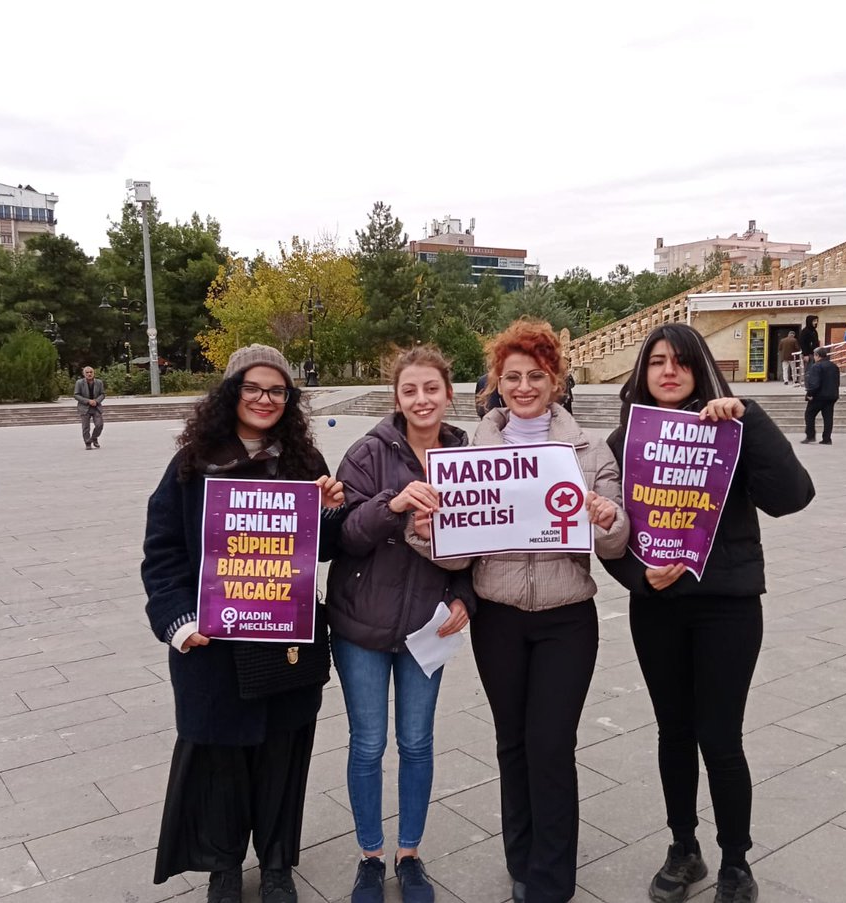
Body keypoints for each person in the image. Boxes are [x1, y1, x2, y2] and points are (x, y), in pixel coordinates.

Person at [409, 319, 629, 903]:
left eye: (536, 375)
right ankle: (522, 860)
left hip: (567, 616)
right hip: (500, 616)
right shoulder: (469, 451)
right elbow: (455, 550)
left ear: (555, 379)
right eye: (512, 376)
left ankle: (551, 881)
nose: (524, 386)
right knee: (512, 742)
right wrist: (424, 532)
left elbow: (616, 539)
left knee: (551, 744)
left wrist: (609, 520)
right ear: (496, 383)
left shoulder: (591, 448)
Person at [602, 322, 814, 903]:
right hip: (659, 608)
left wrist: (750, 417)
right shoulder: (625, 443)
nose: (668, 371)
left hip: (728, 607)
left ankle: (737, 861)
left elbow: (793, 496)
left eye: (681, 362)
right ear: (643, 374)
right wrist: (637, 578)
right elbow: (613, 536)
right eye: (656, 362)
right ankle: (683, 847)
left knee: (720, 736)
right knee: (674, 733)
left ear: (699, 370)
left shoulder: (730, 428)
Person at [142, 344, 346, 903]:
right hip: (214, 643)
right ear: (232, 392)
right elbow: (161, 552)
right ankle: (224, 865)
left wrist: (332, 508)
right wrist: (178, 621)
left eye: (277, 390)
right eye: (254, 387)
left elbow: (323, 549)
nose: (265, 399)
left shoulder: (305, 463)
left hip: (285, 641)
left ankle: (278, 864)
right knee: (220, 759)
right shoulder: (190, 466)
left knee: (284, 755)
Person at [327, 347, 476, 903]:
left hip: (426, 629)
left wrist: (465, 597)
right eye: (410, 390)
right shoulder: (367, 452)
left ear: (448, 393)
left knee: (416, 742)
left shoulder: (465, 451)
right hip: (360, 624)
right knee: (367, 744)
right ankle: (370, 854)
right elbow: (341, 536)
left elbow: (481, 540)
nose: (421, 400)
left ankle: (409, 853)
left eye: (431, 389)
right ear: (397, 397)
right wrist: (392, 504)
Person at [802, 347, 839, 445]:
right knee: (828, 417)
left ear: (817, 355)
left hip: (819, 396)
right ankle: (827, 439)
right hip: (831, 395)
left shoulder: (816, 366)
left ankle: (810, 436)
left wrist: (809, 394)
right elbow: (837, 382)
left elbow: (814, 383)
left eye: (814, 355)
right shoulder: (834, 366)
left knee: (809, 414)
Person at [74, 366, 106, 449]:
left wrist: (96, 401)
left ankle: (94, 438)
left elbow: (102, 394)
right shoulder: (79, 382)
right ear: (84, 374)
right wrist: (88, 401)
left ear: (94, 373)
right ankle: (87, 443)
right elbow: (76, 395)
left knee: (99, 425)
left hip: (96, 407)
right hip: (84, 407)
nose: (89, 374)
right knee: (86, 427)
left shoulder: (99, 382)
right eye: (87, 372)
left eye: (91, 372)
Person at [798, 316, 820, 384]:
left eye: (816, 321)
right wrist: (805, 354)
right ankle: (808, 384)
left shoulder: (814, 331)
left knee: (814, 369)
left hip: (815, 353)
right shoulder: (805, 331)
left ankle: (813, 383)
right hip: (808, 354)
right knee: (808, 369)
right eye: (814, 321)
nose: (816, 323)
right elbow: (802, 343)